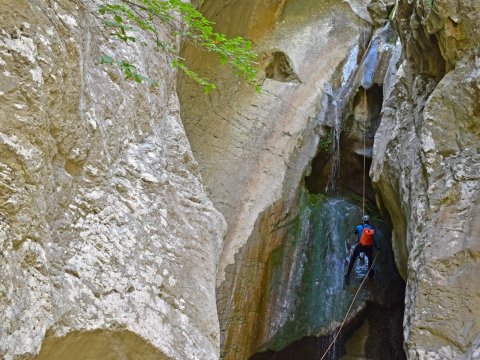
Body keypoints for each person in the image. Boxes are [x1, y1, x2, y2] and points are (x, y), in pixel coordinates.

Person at [344, 214, 379, 281]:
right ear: (369, 221)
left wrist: (358, 231)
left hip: (360, 246)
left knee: (353, 259)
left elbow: (355, 232)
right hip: (368, 247)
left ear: (363, 221)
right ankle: (370, 273)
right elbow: (373, 240)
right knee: (370, 259)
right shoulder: (371, 229)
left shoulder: (359, 227)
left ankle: (348, 275)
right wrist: (377, 247)